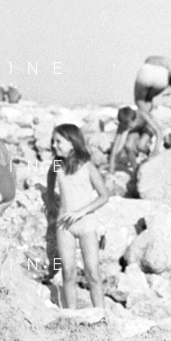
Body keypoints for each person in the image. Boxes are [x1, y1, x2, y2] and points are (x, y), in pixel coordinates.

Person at [47, 124, 108, 309]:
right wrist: (50, 198)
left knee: (93, 274)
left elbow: (104, 196)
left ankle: (100, 315)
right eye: (53, 141)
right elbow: (50, 178)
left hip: (86, 225)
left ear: (72, 143)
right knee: (68, 272)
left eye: (58, 141)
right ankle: (71, 315)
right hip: (64, 226)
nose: (54, 145)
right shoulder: (57, 164)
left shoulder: (88, 167)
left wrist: (81, 211)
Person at [107, 101, 162, 172]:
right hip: (137, 130)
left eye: (129, 125)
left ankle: (149, 154)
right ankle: (136, 170)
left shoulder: (142, 114)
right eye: (125, 126)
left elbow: (158, 131)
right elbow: (115, 148)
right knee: (128, 146)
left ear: (134, 119)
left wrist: (156, 149)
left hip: (148, 127)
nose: (127, 128)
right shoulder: (123, 124)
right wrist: (111, 169)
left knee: (141, 146)